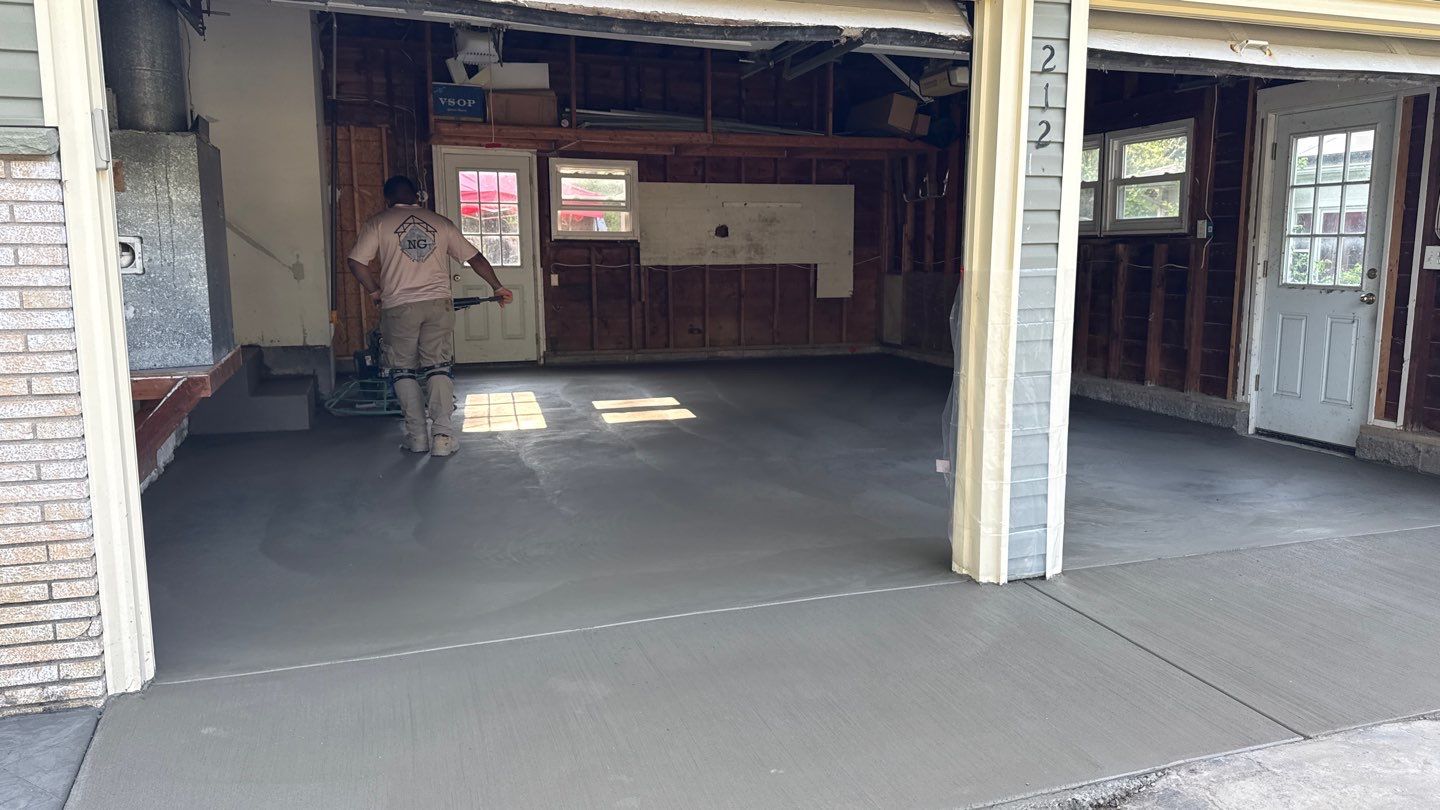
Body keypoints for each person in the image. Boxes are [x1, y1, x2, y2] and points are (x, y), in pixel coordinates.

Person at [347, 175, 514, 457]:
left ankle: (417, 438)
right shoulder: (440, 223)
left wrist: (375, 291)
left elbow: (356, 262)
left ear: (386, 198)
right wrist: (497, 286)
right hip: (438, 304)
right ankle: (443, 437)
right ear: (417, 195)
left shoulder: (379, 223)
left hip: (399, 306)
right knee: (438, 367)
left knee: (403, 370)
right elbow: (475, 258)